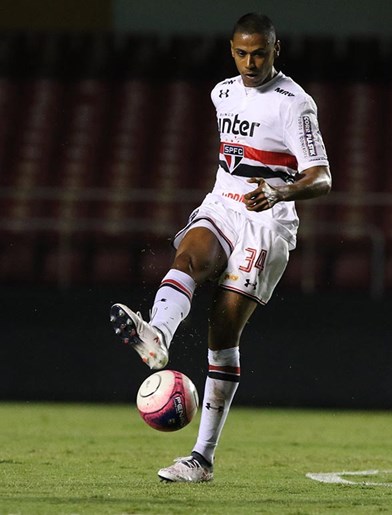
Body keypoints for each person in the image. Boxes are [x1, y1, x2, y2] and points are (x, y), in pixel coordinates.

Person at [109, 12, 331, 483]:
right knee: (189, 256)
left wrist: (279, 191)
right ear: (231, 50)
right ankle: (158, 335)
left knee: (221, 331)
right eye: (242, 52)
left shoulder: (296, 104)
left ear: (277, 50)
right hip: (223, 204)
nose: (251, 62)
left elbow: (322, 177)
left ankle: (202, 457)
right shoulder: (222, 92)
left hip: (268, 220)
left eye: (260, 53)